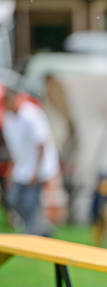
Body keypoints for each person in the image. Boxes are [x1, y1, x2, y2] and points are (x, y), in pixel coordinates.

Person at [2, 87, 60, 236]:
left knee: (30, 202)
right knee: (13, 199)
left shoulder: (31, 114)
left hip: (38, 166)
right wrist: (12, 171)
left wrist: (36, 171)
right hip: (22, 167)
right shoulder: (9, 120)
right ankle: (41, 229)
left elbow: (41, 143)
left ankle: (33, 231)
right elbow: (14, 149)